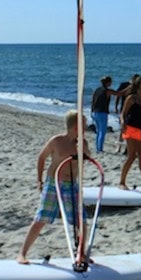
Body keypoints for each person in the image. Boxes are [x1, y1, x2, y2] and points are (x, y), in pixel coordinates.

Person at [17, 110, 91, 264]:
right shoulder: (56, 141)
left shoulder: (83, 143)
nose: (86, 127)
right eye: (83, 124)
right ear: (75, 126)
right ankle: (22, 253)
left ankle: (81, 253)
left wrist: (83, 149)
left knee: (81, 219)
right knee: (41, 218)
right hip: (54, 182)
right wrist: (39, 180)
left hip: (72, 184)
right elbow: (41, 157)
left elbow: (88, 159)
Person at [90, 75, 124, 153]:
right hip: (102, 113)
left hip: (95, 112)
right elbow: (119, 94)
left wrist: (91, 111)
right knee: (102, 131)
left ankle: (98, 148)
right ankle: (100, 149)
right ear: (108, 83)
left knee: (98, 132)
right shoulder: (107, 91)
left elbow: (93, 100)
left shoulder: (97, 90)